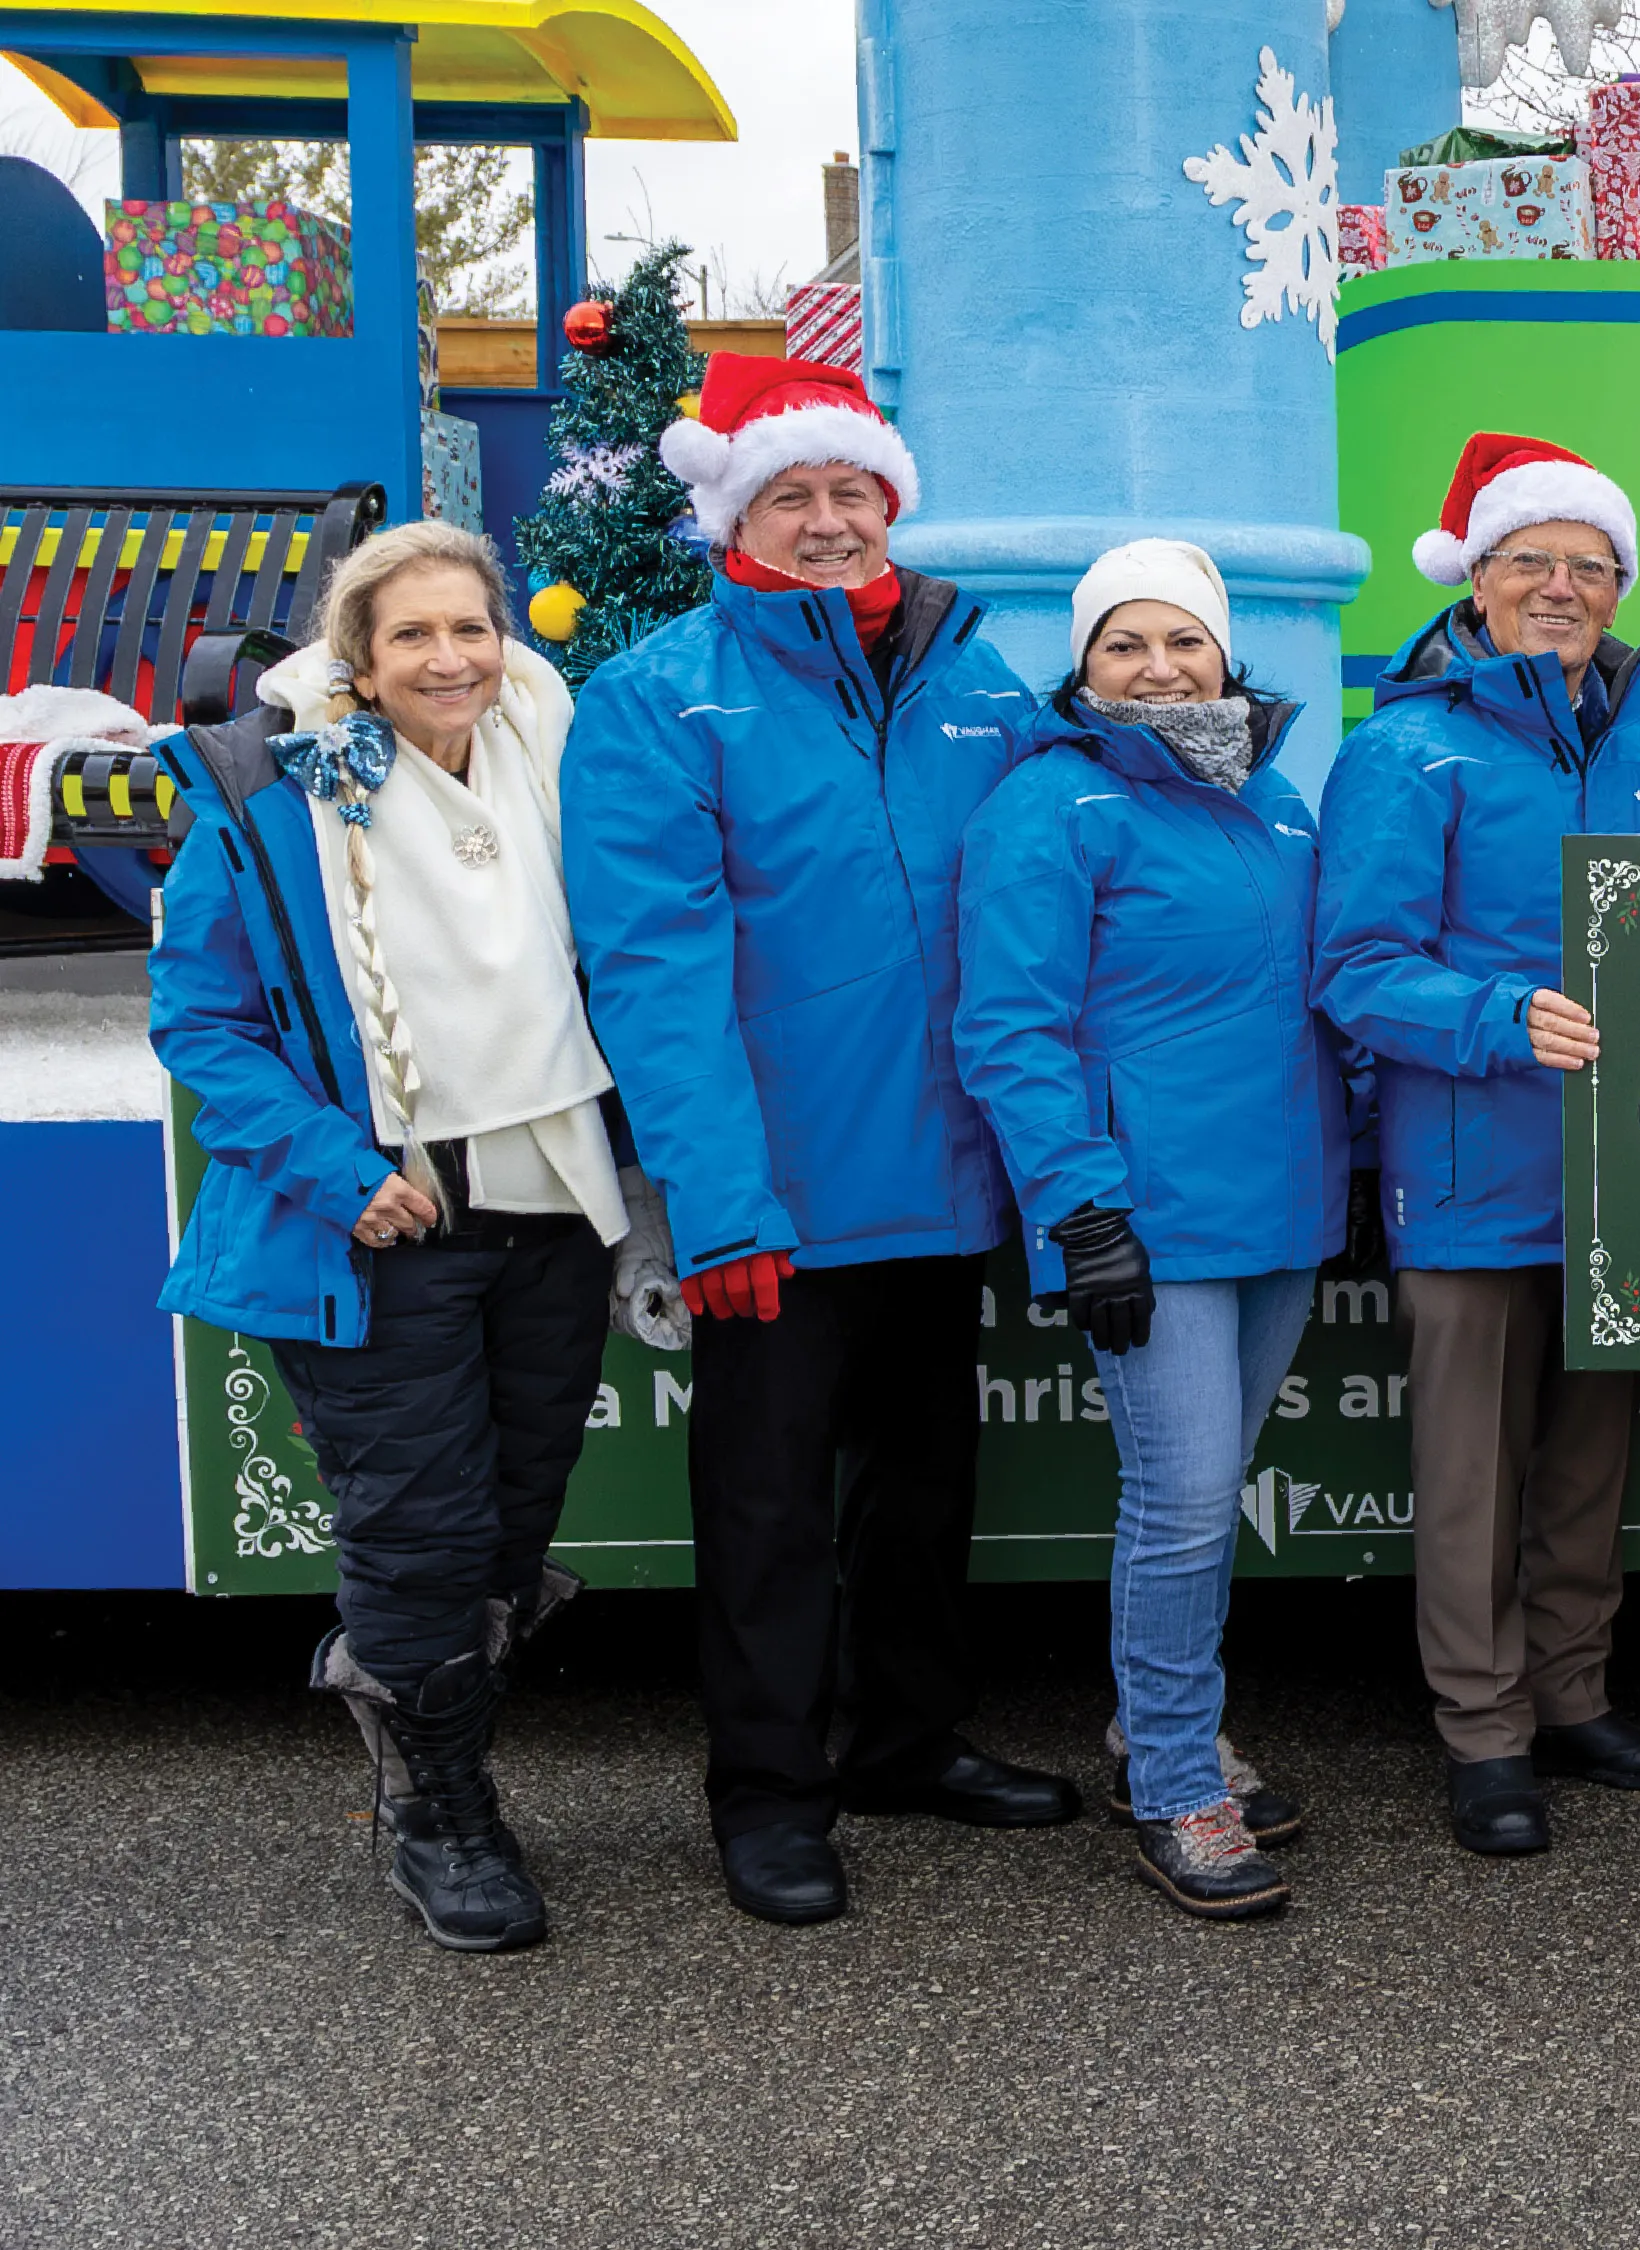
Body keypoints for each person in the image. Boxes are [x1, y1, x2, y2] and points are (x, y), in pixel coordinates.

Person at [570, 354, 1078, 1927]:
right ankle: (771, 1791)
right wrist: (721, 1203)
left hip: (945, 1174)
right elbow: (655, 976)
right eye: (793, 493)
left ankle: (906, 1742)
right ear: (736, 513)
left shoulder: (980, 680)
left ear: (892, 501)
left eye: (852, 490)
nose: (829, 518)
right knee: (771, 1511)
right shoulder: (658, 697)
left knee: (926, 1492)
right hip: (778, 1199)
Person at [150, 521, 687, 1952]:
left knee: (510, 1526)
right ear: (358, 659)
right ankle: (443, 1815)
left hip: (549, 1212)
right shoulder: (272, 795)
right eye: (412, 635)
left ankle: (422, 1741)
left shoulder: (558, 759)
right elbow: (201, 1019)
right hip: (382, 1226)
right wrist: (339, 1169)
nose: (449, 657)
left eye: (472, 627)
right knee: (420, 1535)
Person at [1318, 433, 1640, 1857]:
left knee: (1589, 1463)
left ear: (1619, 585)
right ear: (1476, 578)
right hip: (1475, 1167)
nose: (1559, 585)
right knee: (1473, 1468)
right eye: (1528, 560)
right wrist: (1495, 1015)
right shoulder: (1407, 743)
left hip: (1630, 1170)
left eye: (1586, 565)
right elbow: (1356, 965)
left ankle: (1573, 1691)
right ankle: (1483, 1728)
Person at [956, 541, 1351, 1919]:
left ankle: (1155, 1725)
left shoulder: (1274, 795)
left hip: (1277, 1210)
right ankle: (1179, 1775)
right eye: (1124, 642)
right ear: (1083, 666)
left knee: (1204, 1497)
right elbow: (1010, 1027)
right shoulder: (1053, 804)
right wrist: (1083, 1208)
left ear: (1226, 656)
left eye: (1183, 640)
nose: (1158, 666)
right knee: (1181, 1505)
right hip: (1147, 1219)